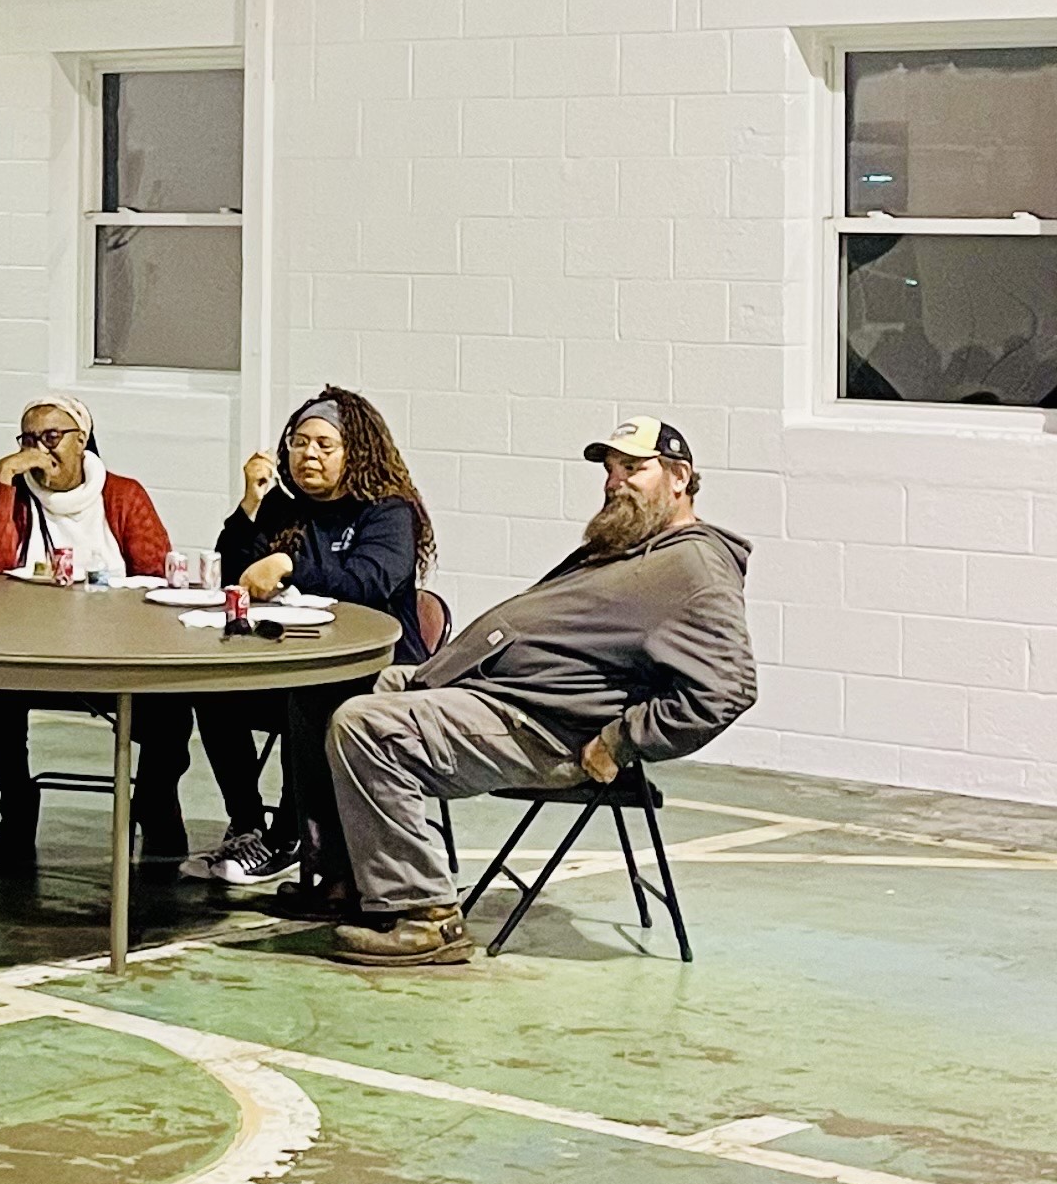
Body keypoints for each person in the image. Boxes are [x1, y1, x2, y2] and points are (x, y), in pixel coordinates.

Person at [324, 414, 756, 970]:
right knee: (358, 687)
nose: (613, 480)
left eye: (633, 468)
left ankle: (425, 918)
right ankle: (346, 877)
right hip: (504, 698)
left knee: (368, 727)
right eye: (609, 468)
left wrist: (623, 740)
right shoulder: (638, 547)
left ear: (679, 478)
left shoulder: (695, 565)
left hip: (545, 727)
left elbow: (730, 686)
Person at [182, 388, 432, 895]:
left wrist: (294, 566)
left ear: (354, 453)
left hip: (373, 674)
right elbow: (235, 572)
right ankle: (248, 826)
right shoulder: (287, 510)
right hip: (293, 657)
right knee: (211, 688)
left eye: (323, 445)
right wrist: (250, 508)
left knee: (310, 697)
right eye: (298, 443)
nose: (307, 455)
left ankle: (293, 839)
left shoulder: (387, 512)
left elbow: (371, 580)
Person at [0, 396, 183, 867]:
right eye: (28, 439)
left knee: (171, 706)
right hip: (34, 651)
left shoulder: (123, 494)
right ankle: (17, 803)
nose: (39, 451)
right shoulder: (16, 496)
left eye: (51, 438)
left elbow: (157, 571)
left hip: (114, 653)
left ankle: (155, 802)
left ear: (81, 441)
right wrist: (2, 479)